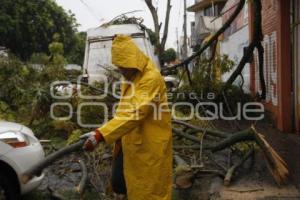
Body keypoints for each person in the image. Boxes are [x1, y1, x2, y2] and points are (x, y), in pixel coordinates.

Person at [83, 35, 173, 200]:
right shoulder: (130, 78)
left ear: (133, 61)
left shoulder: (151, 78)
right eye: (119, 67)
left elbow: (135, 112)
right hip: (129, 140)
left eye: (124, 66)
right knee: (122, 182)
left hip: (149, 144)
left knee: (150, 190)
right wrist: (112, 133)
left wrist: (101, 134)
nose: (121, 71)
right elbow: (125, 111)